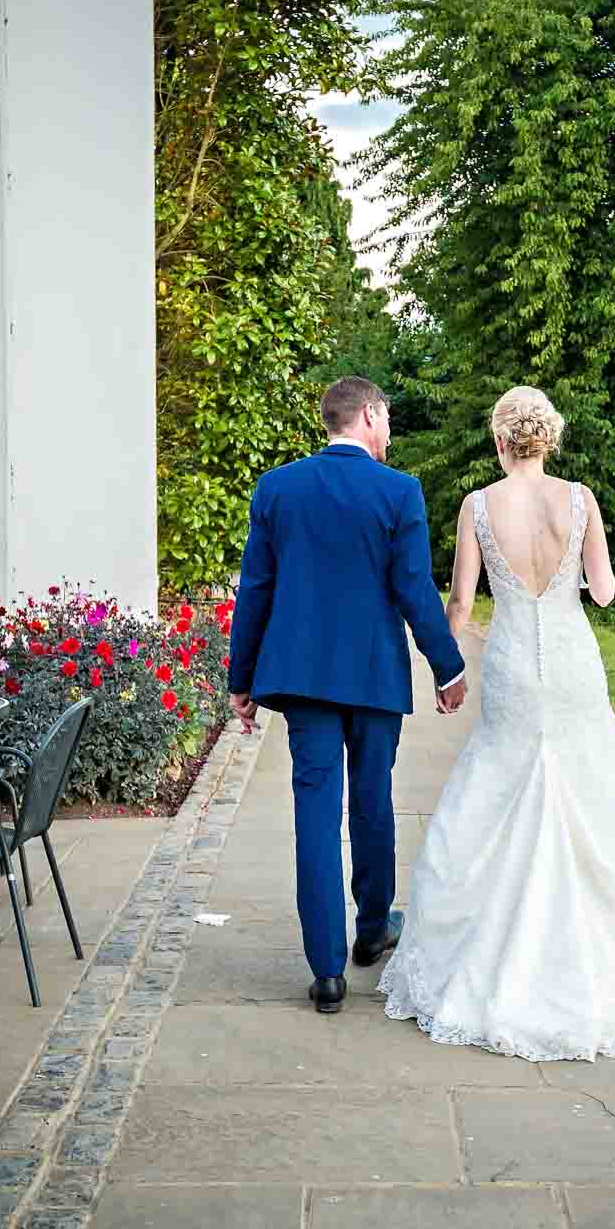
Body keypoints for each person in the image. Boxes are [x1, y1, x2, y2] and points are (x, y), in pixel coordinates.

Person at [379, 385, 615, 1061]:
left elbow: (462, 601)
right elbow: (605, 591)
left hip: (514, 668)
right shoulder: (580, 500)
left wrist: (445, 669)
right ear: (549, 439)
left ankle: (496, 958)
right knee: (592, 797)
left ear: (501, 440)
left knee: (496, 793)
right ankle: (594, 964)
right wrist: (579, 577)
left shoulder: (477, 506)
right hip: (574, 664)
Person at [227, 377, 466, 1015]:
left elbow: (256, 589)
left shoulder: (278, 488)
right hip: (372, 676)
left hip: (301, 678)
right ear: (366, 415)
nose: (389, 432)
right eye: (386, 419)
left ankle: (325, 971)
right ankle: (370, 932)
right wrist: (447, 668)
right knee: (372, 804)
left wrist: (241, 679)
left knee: (314, 812)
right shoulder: (398, 492)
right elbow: (415, 589)